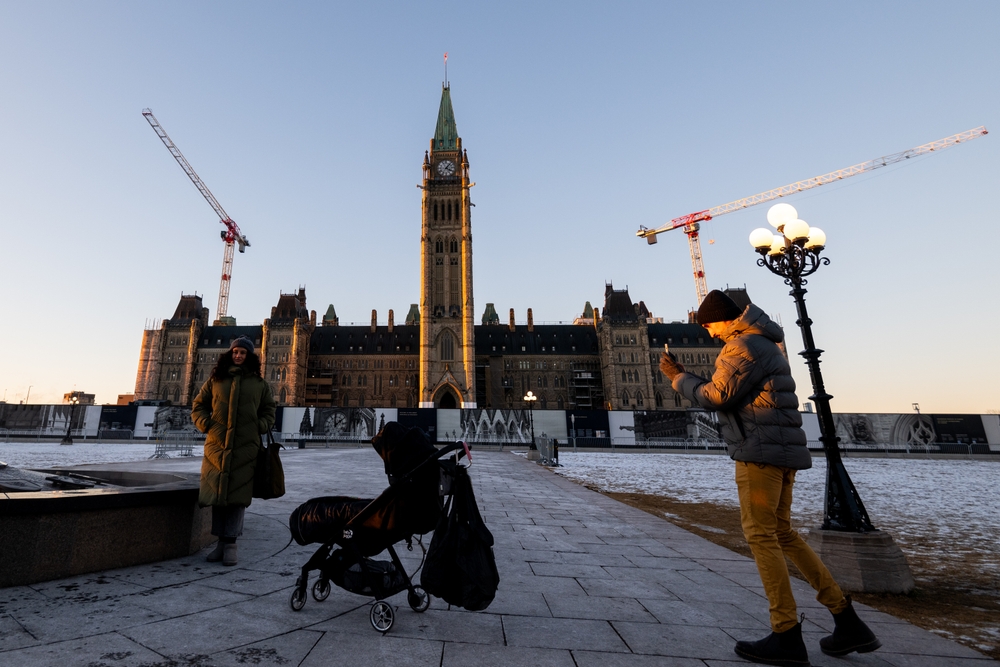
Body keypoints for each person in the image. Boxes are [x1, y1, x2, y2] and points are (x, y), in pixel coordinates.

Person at [659, 290, 880, 667]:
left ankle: (786, 634)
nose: (710, 334)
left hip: (760, 453)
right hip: (778, 451)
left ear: (726, 319)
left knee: (761, 536)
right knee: (782, 533)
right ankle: (846, 619)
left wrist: (679, 378)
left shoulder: (742, 345)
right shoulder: (765, 341)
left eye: (710, 325)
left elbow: (717, 396)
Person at [192, 336, 276, 566]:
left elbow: (269, 410)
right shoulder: (216, 381)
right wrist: (207, 425)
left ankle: (231, 544)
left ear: (249, 356)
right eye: (235, 351)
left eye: (243, 352)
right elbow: (198, 405)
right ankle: (220, 542)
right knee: (218, 495)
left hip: (245, 447)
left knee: (238, 497)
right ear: (230, 354)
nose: (238, 355)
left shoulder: (259, 385)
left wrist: (259, 426)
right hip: (217, 446)